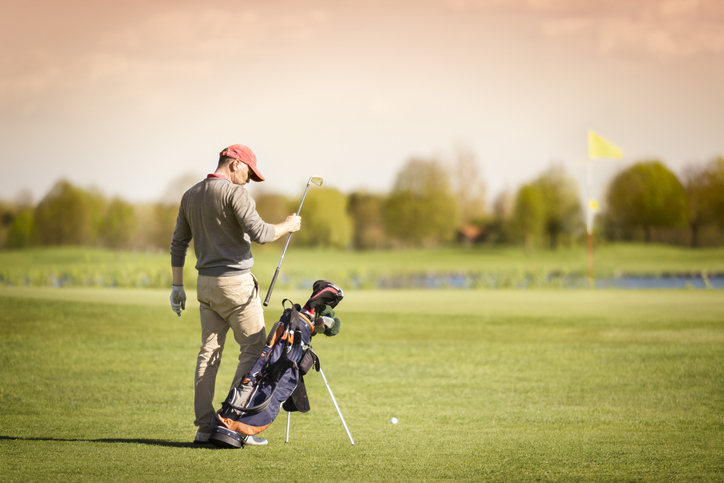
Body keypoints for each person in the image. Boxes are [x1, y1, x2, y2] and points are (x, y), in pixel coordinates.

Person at [169, 144, 302, 445]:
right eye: (248, 173)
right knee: (255, 351)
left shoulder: (190, 194)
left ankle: (204, 427)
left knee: (209, 354)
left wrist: (177, 286)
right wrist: (289, 225)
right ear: (233, 164)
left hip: (205, 285)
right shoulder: (234, 193)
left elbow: (178, 244)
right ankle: (233, 421)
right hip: (237, 285)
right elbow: (263, 235)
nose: (248, 180)